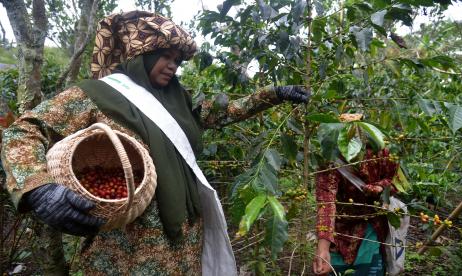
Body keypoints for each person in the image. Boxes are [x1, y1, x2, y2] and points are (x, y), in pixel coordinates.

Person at [1, 11, 309, 275]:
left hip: (185, 239)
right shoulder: (96, 95)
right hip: (126, 246)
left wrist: (274, 93)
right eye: (164, 55)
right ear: (140, 55)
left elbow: (217, 113)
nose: (173, 65)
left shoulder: (175, 97)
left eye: (177, 59)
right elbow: (25, 131)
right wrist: (37, 188)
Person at [312, 114, 399, 276]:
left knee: (369, 268)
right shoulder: (330, 160)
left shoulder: (380, 150)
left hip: (371, 226)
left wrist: (381, 187)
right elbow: (326, 203)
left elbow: (396, 181)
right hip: (339, 230)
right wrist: (322, 249)